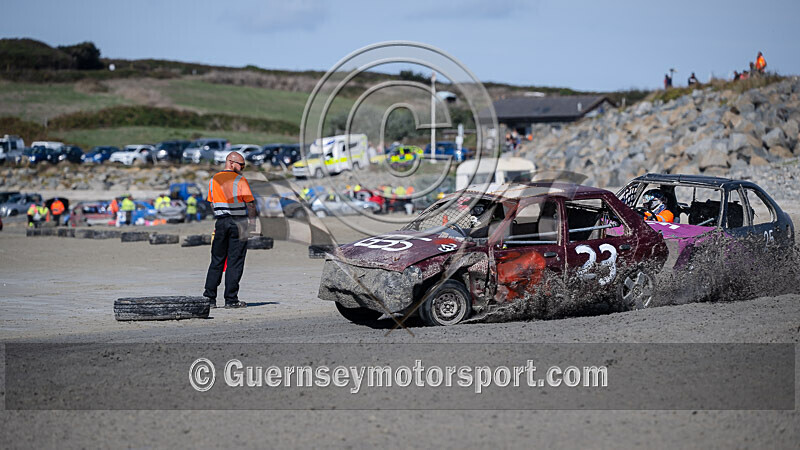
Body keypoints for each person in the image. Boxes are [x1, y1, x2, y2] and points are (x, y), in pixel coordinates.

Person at [203, 151, 256, 309]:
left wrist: (220, 217)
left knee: (217, 260)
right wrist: (252, 224)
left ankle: (209, 298)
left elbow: (211, 203)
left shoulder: (214, 179)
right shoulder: (240, 180)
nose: (242, 169)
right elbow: (250, 204)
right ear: (231, 162)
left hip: (221, 222)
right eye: (241, 165)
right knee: (235, 261)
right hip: (238, 222)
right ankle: (231, 300)